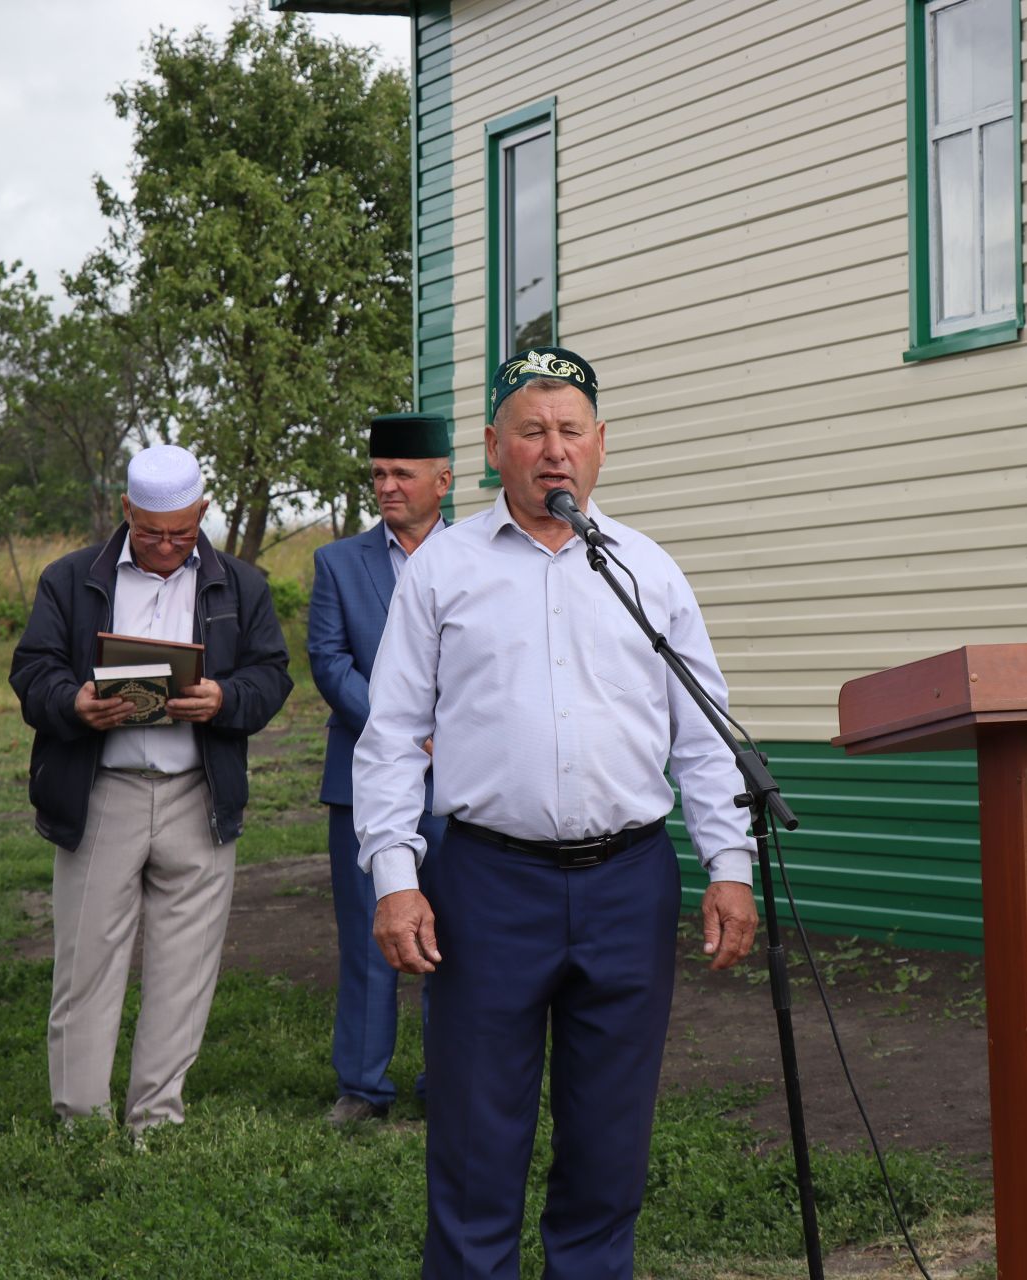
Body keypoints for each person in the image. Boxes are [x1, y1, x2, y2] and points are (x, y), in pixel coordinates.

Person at [354, 348, 760, 1279]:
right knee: (473, 1139)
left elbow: (702, 736)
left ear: (602, 447)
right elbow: (390, 737)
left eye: (570, 431)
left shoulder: (648, 572)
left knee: (610, 1143)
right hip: (488, 885)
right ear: (494, 448)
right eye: (531, 431)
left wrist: (728, 864)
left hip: (628, 885)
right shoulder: (444, 570)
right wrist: (395, 879)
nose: (553, 451)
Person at [9, 444, 292, 1138]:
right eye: (151, 532)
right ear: (126, 511)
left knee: (185, 966)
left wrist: (224, 697)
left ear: (202, 513)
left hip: (200, 792)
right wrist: (75, 703)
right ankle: (79, 1118)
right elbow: (32, 668)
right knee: (86, 962)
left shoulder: (242, 585)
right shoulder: (71, 580)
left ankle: (156, 1120)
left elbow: (273, 675)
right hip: (104, 790)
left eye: (182, 532)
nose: (167, 546)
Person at [309, 413, 452, 1127]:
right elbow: (330, 662)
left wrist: (447, 735)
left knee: (454, 932)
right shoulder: (339, 563)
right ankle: (362, 1088)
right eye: (378, 476)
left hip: (463, 781)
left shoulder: (481, 558)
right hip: (365, 778)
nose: (387, 487)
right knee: (371, 930)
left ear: (443, 480)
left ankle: (448, 1078)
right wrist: (403, 728)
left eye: (401, 474)